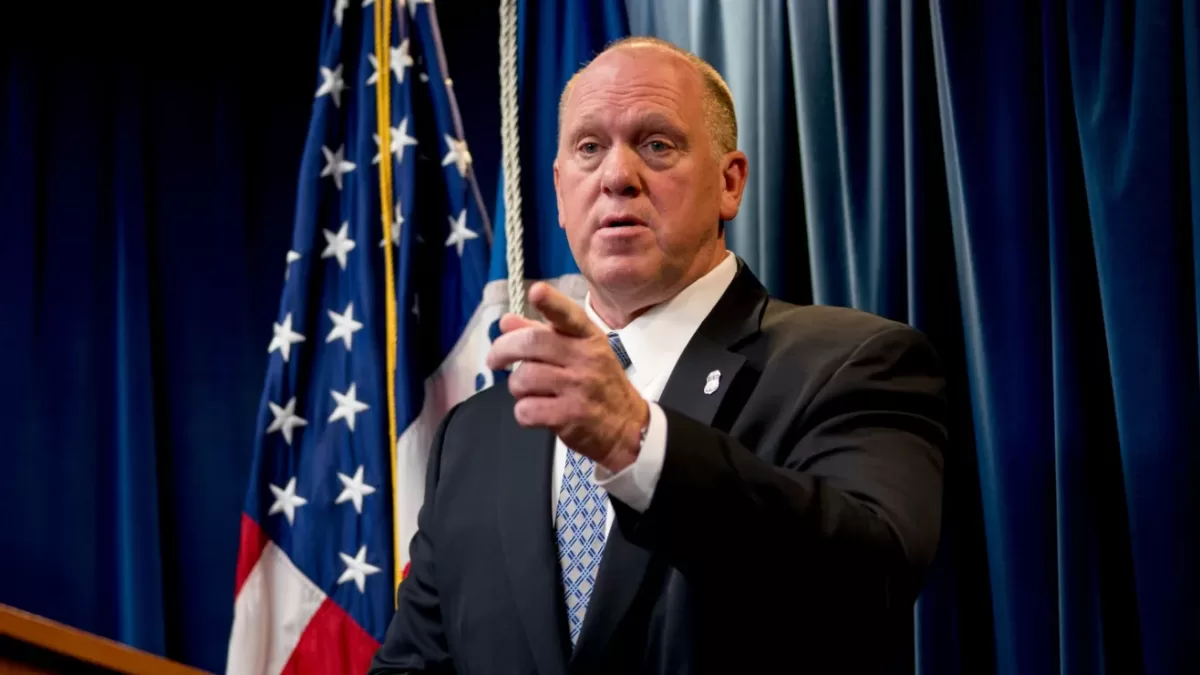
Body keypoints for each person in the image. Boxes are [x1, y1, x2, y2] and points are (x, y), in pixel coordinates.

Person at [369, 36, 947, 674]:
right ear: (559, 192)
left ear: (729, 183)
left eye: (657, 145)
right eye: (589, 148)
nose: (617, 176)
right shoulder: (476, 433)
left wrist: (639, 444)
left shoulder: (854, 363)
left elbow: (870, 579)